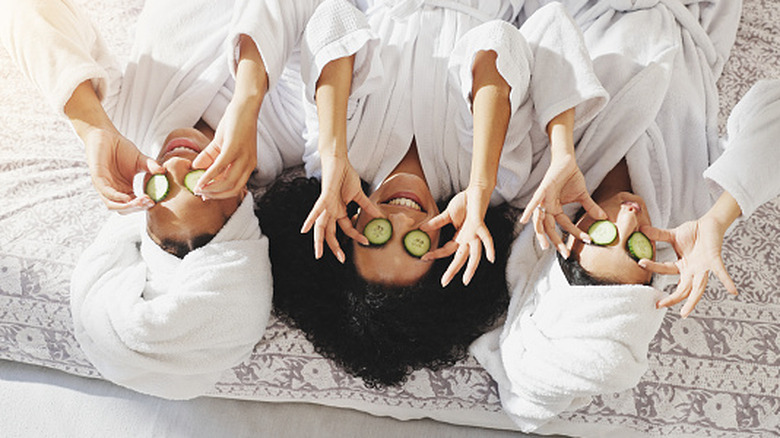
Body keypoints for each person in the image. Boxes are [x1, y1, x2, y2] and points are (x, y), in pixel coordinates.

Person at [0, 0, 358, 399]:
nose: (172, 165)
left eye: (159, 190)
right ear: (243, 198)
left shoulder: (129, 131)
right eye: (196, 182)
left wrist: (92, 127)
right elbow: (332, 10)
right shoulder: (295, 131)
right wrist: (249, 98)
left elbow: (23, 9)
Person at [256, 1, 609, 387]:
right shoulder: (492, 180)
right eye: (416, 244)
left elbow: (334, 18)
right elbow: (498, 42)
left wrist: (334, 151)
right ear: (443, 249)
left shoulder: (336, 164)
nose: (402, 220)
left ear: (349, 225)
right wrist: (480, 183)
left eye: (377, 236)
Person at [469, 0, 780, 433]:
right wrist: (720, 217)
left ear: (570, 243)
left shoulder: (535, 180)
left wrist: (562, 150)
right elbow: (773, 104)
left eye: (602, 234)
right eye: (637, 248)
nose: (631, 218)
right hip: (690, 18)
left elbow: (546, 25)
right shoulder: (690, 216)